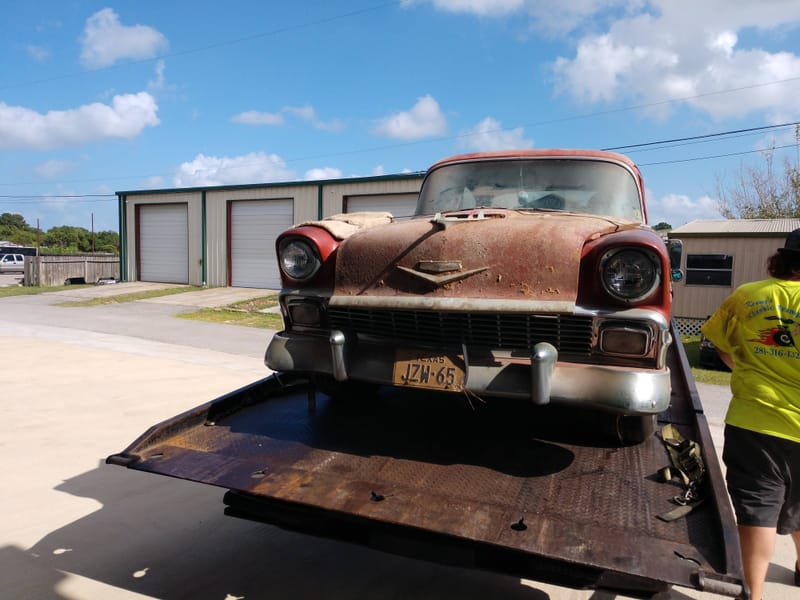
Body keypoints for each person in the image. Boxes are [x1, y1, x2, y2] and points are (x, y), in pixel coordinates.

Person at [701, 228, 800, 600]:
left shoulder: (747, 296)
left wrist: (750, 367)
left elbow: (722, 348)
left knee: (757, 510)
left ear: (783, 259)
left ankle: (752, 595)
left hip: (753, 421)